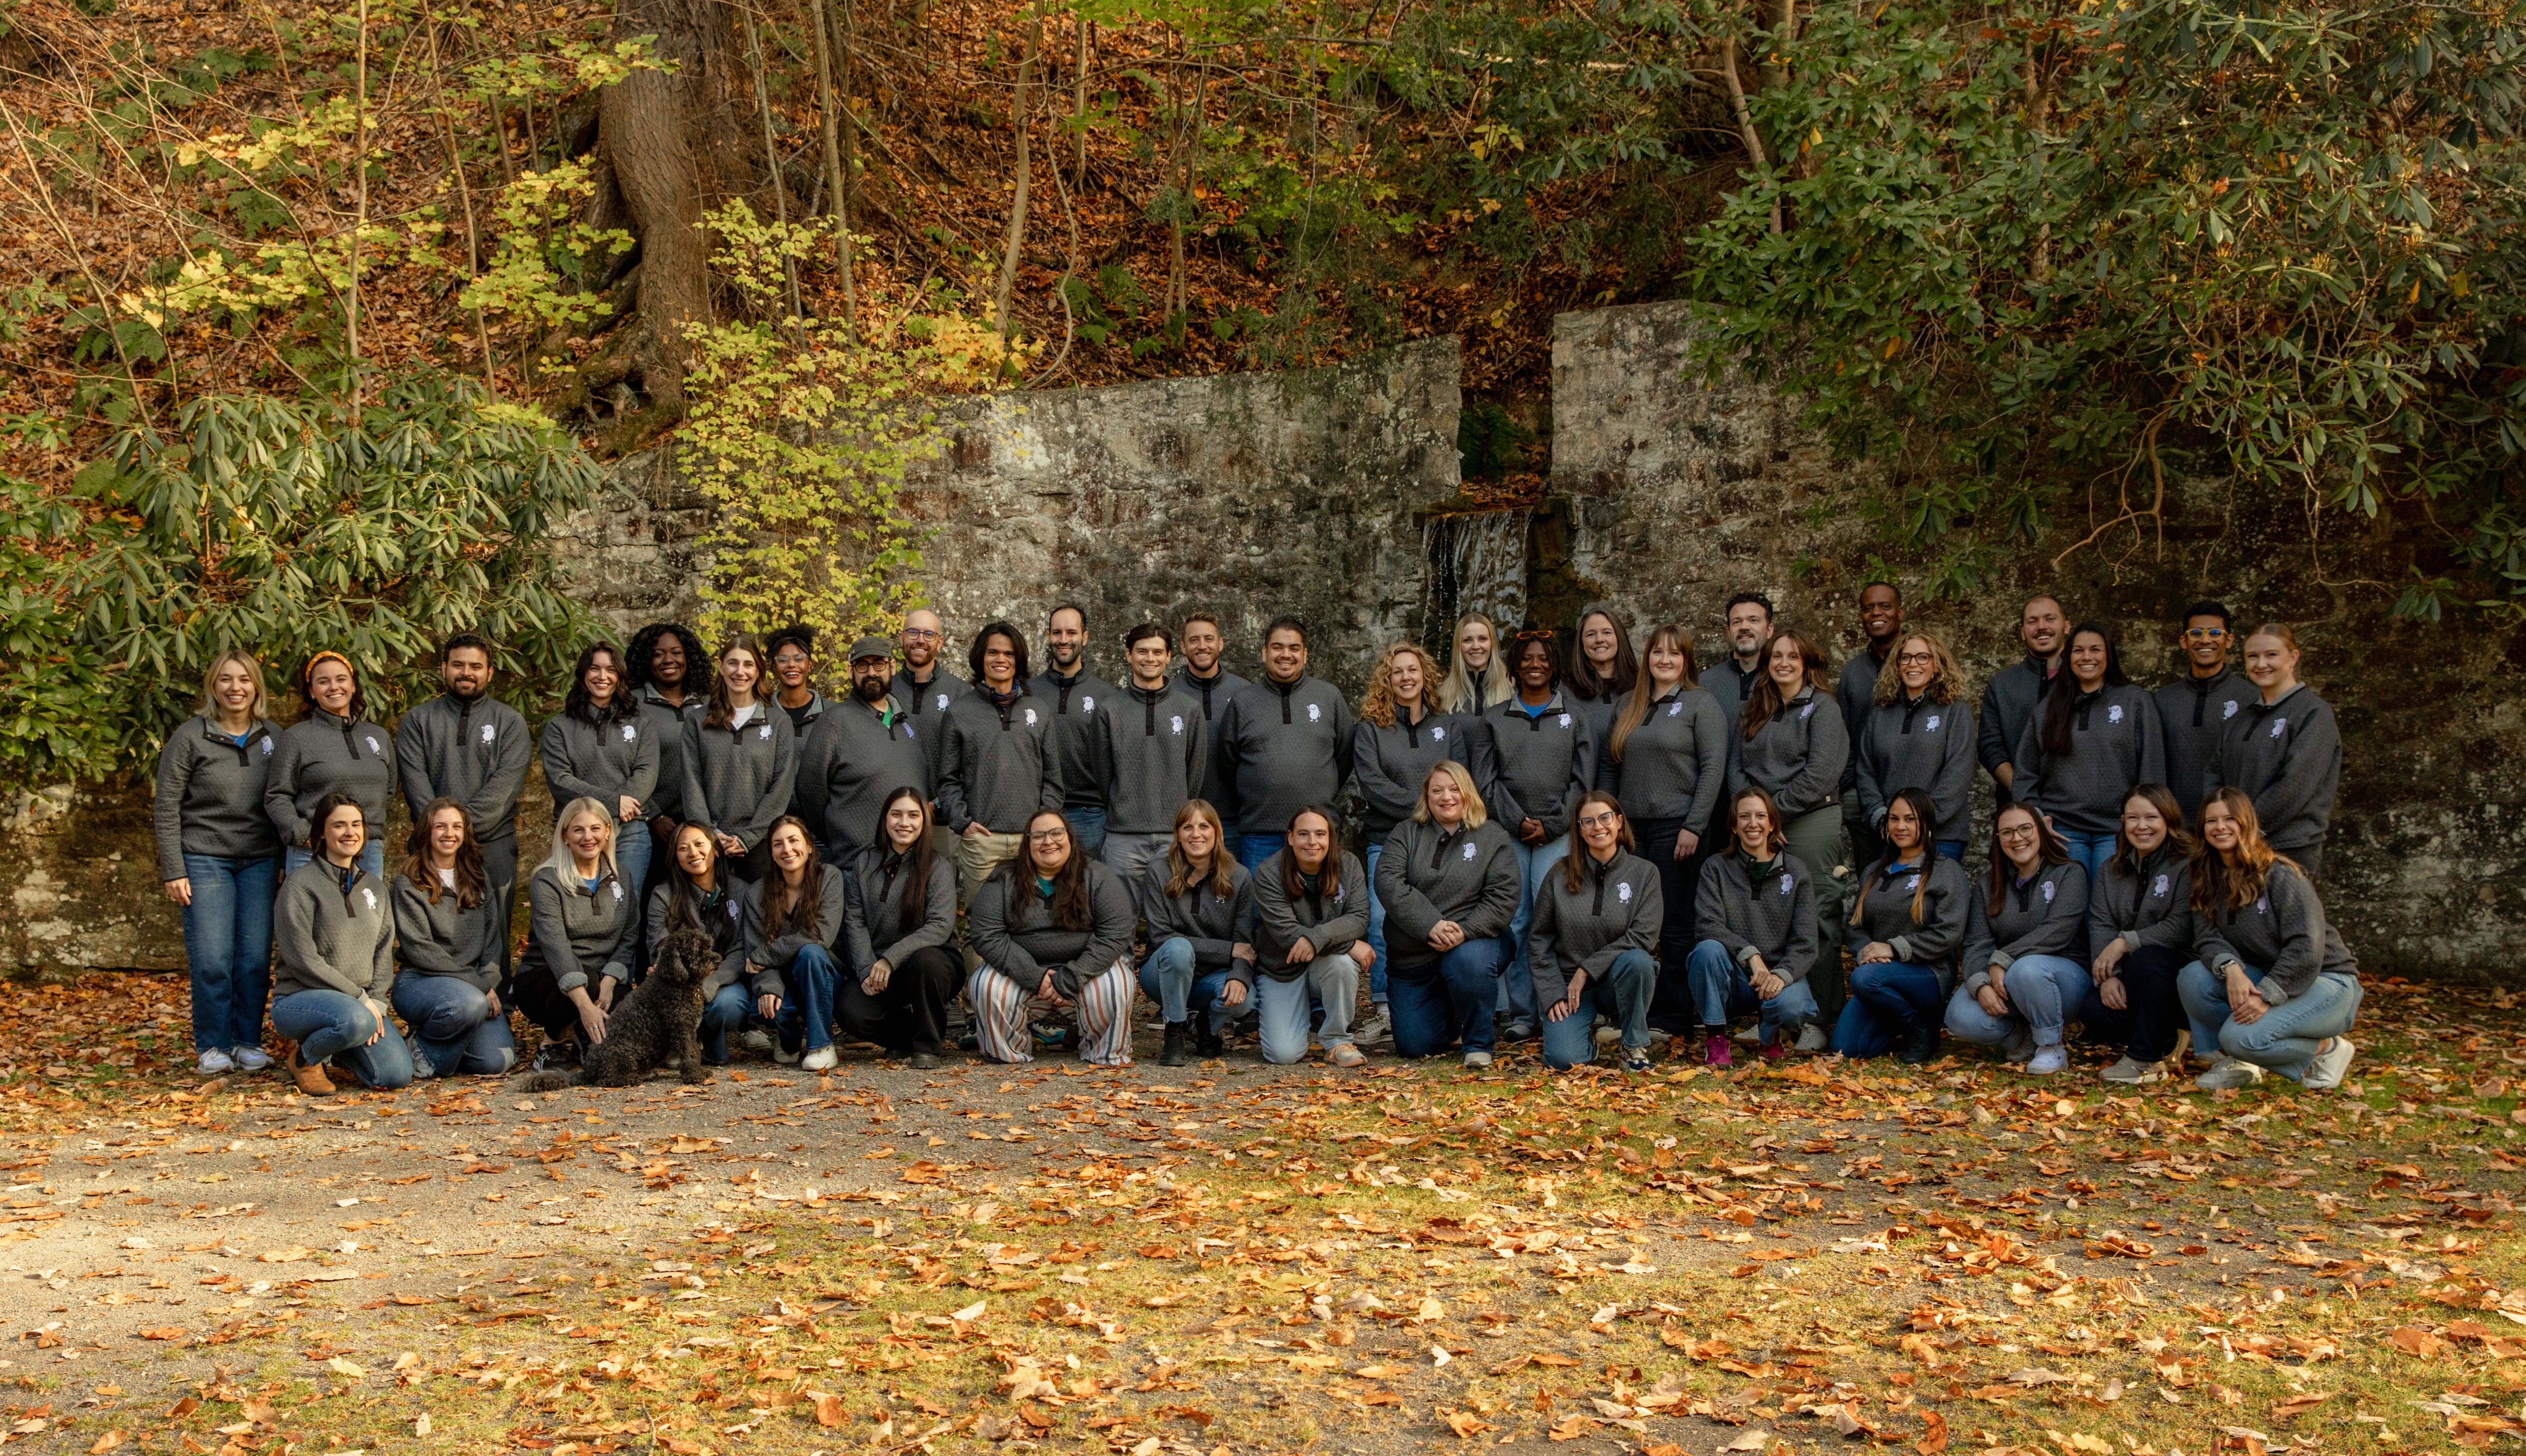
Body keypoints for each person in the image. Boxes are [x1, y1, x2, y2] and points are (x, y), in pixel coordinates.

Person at [2178, 789, 2360, 1090]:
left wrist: (2266, 995)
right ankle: (2236, 1062)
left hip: (2327, 981)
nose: (2220, 827)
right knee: (2194, 977)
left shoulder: (2280, 874)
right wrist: (2232, 968)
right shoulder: (2206, 878)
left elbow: (2307, 946)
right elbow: (2207, 938)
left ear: (2246, 823)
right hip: (2269, 976)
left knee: (2242, 1038)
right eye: (2212, 821)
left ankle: (2327, 1049)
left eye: (2230, 819)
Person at [154, 648, 282, 1077]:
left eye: (244, 680)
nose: (235, 688)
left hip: (261, 860)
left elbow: (284, 800)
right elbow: (167, 805)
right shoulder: (190, 737)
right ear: (213, 686)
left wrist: (284, 859)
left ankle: (247, 1042)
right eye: (226, 679)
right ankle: (213, 1045)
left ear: (256, 687)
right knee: (212, 957)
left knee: (253, 958)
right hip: (205, 857)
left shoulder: (274, 738)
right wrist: (174, 867)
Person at [1599, 622, 1728, 1039]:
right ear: (1647, 658)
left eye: (1675, 653)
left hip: (1679, 828)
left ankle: (1673, 1017)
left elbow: (1713, 769)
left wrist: (1695, 825)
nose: (1665, 660)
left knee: (1673, 923)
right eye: (1658, 652)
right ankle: (1630, 1011)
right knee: (1628, 920)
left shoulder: (1700, 704)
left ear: (1687, 660)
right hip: (1630, 830)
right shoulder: (1628, 705)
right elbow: (1609, 766)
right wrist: (1607, 821)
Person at [1474, 631, 1597, 1042]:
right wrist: (1519, 820)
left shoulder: (1575, 717)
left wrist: (1554, 824)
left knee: (1556, 919)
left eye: (1543, 658)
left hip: (1558, 835)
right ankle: (1521, 1011)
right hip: (1510, 834)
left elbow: (1583, 780)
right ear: (1514, 665)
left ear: (1555, 664)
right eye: (1527, 658)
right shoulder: (1493, 718)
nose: (1535, 665)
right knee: (1517, 919)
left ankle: (1557, 1007)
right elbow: (1485, 781)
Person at [1727, 626, 1850, 1026]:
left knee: (1816, 919)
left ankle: (1821, 1018)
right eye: (1776, 656)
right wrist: (1753, 814)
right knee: (1764, 918)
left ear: (1807, 664)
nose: (1783, 663)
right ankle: (1773, 1019)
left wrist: (1771, 815)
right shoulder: (1753, 708)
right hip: (1761, 824)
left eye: (1793, 657)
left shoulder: (1823, 708)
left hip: (1810, 819)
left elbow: (1821, 773)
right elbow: (1736, 767)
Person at [395, 632, 531, 981]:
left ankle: (495, 1007)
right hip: (430, 843)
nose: (466, 672)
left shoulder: (510, 723)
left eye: (475, 666)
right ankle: (432, 1006)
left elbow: (504, 788)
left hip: (493, 842)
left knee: (495, 927)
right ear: (444, 668)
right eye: (458, 665)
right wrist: (443, 834)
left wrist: (458, 832)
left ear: (489, 672)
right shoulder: (417, 721)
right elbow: (416, 785)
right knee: (429, 926)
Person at [1348, 640, 1461, 1043]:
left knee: (1440, 913)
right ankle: (1384, 1007)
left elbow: (1460, 778)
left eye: (1413, 670)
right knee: (1382, 920)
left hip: (1443, 839)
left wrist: (1437, 812)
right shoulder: (1371, 728)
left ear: (1425, 675)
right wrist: (1425, 806)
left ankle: (1445, 1001)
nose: (1406, 677)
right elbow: (1372, 784)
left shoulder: (1446, 726)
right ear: (1387, 679)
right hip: (1389, 837)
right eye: (1398, 671)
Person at [967, 809, 1138, 1065]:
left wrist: (1069, 978)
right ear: (1027, 843)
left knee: (1116, 983)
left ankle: (1104, 1056)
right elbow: (986, 935)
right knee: (986, 985)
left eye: (1056, 833)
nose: (1049, 841)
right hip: (1023, 975)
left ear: (1069, 837)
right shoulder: (1003, 879)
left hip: (1084, 973)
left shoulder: (1098, 876)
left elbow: (1114, 935)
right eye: (1038, 836)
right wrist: (1035, 977)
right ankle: (1008, 1056)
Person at [1376, 762, 1519, 1067]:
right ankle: (1455, 1006)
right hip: (1414, 957)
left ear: (1468, 794)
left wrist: (1463, 932)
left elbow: (1504, 896)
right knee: (1416, 1046)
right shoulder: (1406, 832)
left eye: (1455, 789)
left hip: (1473, 943)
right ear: (1426, 797)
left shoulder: (1492, 836)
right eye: (1437, 790)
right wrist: (1431, 925)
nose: (1447, 797)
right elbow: (1388, 882)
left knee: (1468, 963)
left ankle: (1478, 1043)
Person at [271, 793, 412, 1094]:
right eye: (339, 825)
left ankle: (339, 1048)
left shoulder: (374, 886)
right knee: (356, 1019)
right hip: (302, 999)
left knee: (395, 1075)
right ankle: (305, 1059)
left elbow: (383, 950)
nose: (350, 833)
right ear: (322, 831)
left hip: (358, 1005)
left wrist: (376, 1000)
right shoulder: (300, 885)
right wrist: (359, 999)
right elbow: (302, 958)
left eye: (356, 824)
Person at [1942, 803, 2090, 1075]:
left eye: (2025, 829)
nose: (2017, 838)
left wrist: (2004, 959)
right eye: (2007, 833)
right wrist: (1979, 984)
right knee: (1959, 1017)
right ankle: (2024, 1039)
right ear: (1998, 840)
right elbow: (1977, 942)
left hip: (2064, 981)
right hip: (2008, 982)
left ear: (2041, 831)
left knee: (2028, 968)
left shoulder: (2069, 872)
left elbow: (2059, 929)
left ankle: (2051, 1047)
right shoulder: (1989, 884)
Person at [2013, 623, 2164, 882]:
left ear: (2109, 656)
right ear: (2068, 657)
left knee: (2107, 908)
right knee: (2071, 909)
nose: (2087, 657)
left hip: (2117, 829)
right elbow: (2026, 771)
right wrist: (2037, 819)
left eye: (2096, 650)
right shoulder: (2050, 707)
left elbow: (2152, 766)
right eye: (2078, 651)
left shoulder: (2135, 701)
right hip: (2063, 829)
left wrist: (2144, 822)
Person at [1833, 788, 1971, 1062]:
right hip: (1880, 975)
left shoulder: (1945, 871)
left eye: (1910, 819)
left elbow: (1949, 933)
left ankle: (1922, 1026)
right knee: (1848, 1049)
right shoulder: (1874, 872)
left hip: (1928, 974)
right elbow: (1856, 926)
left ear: (1927, 824)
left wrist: (1893, 949)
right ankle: (1905, 1019)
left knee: (1864, 979)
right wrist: (1868, 954)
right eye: (1894, 819)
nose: (1900, 826)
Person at [1689, 787, 1823, 1064]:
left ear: (1772, 823)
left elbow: (1806, 943)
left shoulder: (1796, 871)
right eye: (1745, 817)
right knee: (1706, 951)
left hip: (1778, 975)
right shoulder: (1716, 867)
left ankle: (1770, 1031)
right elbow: (1707, 925)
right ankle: (1716, 1038)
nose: (1753, 824)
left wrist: (1782, 974)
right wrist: (1750, 954)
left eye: (1761, 816)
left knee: (1794, 1007)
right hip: (1735, 976)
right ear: (1735, 826)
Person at [1531, 791, 1662, 1073]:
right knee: (1564, 1061)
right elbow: (1539, 938)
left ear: (1619, 822)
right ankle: (1588, 1040)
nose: (1597, 827)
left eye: (1604, 818)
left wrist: (1587, 969)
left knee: (1639, 960)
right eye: (1587, 822)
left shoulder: (1645, 873)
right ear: (1579, 830)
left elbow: (1643, 937)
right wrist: (1552, 993)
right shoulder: (1559, 874)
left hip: (1616, 979)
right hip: (1569, 986)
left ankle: (1633, 1045)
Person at [1233, 806, 1374, 1067]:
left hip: (1326, 964)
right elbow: (1286, 933)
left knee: (1342, 964)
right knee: (1284, 1055)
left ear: (1330, 838)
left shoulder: (1349, 864)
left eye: (1320, 834)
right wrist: (1350, 943)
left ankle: (1337, 1042)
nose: (1312, 842)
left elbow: (1359, 917)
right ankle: (1298, 1013)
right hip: (1281, 968)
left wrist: (1318, 938)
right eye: (1304, 834)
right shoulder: (1269, 872)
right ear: (1290, 837)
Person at [938, 622, 1063, 909]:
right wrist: (963, 823)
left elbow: (1053, 778)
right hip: (982, 842)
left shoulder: (1039, 711)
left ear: (1018, 660)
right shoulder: (959, 713)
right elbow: (947, 778)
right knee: (977, 924)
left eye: (1009, 654)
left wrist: (1043, 827)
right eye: (993, 652)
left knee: (1029, 920)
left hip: (1031, 841)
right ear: (980, 658)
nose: (1001, 660)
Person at [1213, 617, 1355, 870]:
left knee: (1320, 908)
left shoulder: (1329, 696)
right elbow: (1228, 762)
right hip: (1261, 834)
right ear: (1265, 652)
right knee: (1262, 909)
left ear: (1305, 654)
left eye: (1294, 648)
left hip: (1317, 834)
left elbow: (1344, 757)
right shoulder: (1243, 702)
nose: (1286, 655)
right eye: (1278, 647)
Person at [389, 798, 516, 1079]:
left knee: (497, 1061)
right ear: (427, 832)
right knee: (469, 1004)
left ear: (465, 833)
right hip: (421, 981)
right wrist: (480, 987)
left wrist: (487, 981)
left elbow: (493, 943)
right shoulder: (409, 883)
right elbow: (421, 950)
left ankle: (436, 1043)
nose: (450, 834)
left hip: (473, 987)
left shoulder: (478, 878)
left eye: (457, 827)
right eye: (441, 827)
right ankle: (423, 1048)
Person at [512, 797, 640, 1072]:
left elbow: (629, 935)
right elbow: (556, 947)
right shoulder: (547, 880)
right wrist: (586, 1005)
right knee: (587, 980)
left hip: (601, 978)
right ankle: (550, 1043)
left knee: (624, 1004)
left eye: (595, 828)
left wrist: (611, 981)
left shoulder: (623, 876)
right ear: (566, 836)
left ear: (608, 831)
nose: (588, 837)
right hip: (545, 980)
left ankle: (583, 1037)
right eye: (578, 830)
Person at [2080, 784, 2196, 1084]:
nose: (2141, 826)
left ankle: (2145, 1060)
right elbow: (2102, 922)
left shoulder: (2188, 862)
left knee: (2147, 960)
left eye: (2151, 818)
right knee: (2096, 1010)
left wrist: (2124, 943)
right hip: (2134, 971)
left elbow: (2182, 924)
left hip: (2179, 970)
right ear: (2123, 822)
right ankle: (2169, 1038)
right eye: (2133, 818)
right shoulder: (2112, 868)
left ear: (2168, 820)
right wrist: (2110, 976)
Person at [839, 789, 963, 1067]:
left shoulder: (937, 865)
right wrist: (865, 968)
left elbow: (940, 926)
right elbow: (855, 920)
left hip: (932, 966)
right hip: (879, 967)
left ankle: (927, 1047)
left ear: (924, 822)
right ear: (885, 820)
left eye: (913, 815)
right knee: (850, 1012)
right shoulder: (865, 863)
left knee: (926, 961)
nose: (904, 823)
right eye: (896, 814)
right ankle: (905, 1038)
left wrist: (890, 958)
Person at [2210, 625, 2342, 881]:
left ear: (2293, 658)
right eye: (2252, 656)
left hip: (2289, 847)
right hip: (2236, 846)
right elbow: (2215, 776)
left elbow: (2295, 784)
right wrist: (2222, 824)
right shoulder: (2239, 719)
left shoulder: (2313, 714)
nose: (2261, 664)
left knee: (2290, 921)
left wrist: (2244, 829)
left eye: (2271, 655)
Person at [540, 640, 661, 901]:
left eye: (611, 670)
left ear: (620, 676)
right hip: (577, 832)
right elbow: (560, 781)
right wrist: (613, 804)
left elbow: (646, 773)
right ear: (584, 674)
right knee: (578, 904)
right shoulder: (559, 726)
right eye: (595, 669)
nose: (603, 677)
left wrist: (617, 812)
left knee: (625, 905)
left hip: (629, 832)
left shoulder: (642, 724)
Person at [1137, 799, 1255, 1065]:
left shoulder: (1240, 877)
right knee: (1179, 948)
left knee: (1245, 1001)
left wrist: (1238, 976)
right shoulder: (1158, 871)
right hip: (1162, 973)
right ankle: (1174, 1030)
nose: (1196, 834)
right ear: (1178, 834)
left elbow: (1244, 943)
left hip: (1209, 978)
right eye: (1188, 827)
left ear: (1217, 833)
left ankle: (1205, 1026)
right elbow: (1161, 937)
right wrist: (1227, 950)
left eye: (1204, 826)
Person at [681, 634, 799, 883]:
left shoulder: (778, 722)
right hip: (710, 843)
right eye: (733, 663)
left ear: (758, 672)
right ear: (721, 667)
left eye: (748, 665)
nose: (740, 671)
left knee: (761, 916)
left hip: (762, 842)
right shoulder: (697, 721)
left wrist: (749, 836)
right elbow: (691, 781)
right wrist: (710, 833)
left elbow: (782, 784)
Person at [1099, 622, 1206, 894]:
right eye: (1142, 651)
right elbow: (1103, 773)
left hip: (1175, 835)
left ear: (1169, 656)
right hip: (1123, 837)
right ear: (1128, 655)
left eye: (1158, 652)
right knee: (1120, 917)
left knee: (1173, 915)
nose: (1150, 659)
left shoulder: (1189, 709)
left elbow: (1194, 774)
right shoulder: (1108, 710)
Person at [267, 652, 394, 877]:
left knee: (366, 912)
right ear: (312, 692)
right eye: (323, 681)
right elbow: (277, 795)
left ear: (353, 685)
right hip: (314, 849)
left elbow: (389, 789)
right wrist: (301, 831)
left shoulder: (378, 736)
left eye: (341, 679)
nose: (334, 687)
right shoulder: (297, 737)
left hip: (368, 850)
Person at [1854, 630, 1976, 861]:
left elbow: (1957, 774)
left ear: (1937, 665)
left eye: (1923, 657)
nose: (1913, 664)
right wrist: (1883, 818)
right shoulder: (1881, 713)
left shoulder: (1955, 711)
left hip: (1942, 836)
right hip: (1891, 835)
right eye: (1906, 657)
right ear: (1897, 664)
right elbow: (1866, 770)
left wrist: (1920, 823)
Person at [648, 822, 757, 1065]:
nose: (693, 853)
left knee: (728, 1005)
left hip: (726, 982)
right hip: (680, 984)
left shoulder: (741, 891)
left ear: (716, 850)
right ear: (675, 857)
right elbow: (660, 944)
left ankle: (706, 1040)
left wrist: (710, 984)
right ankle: (681, 1042)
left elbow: (743, 949)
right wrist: (687, 984)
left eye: (700, 845)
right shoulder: (663, 895)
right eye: (683, 848)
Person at [745, 816, 848, 1071]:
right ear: (771, 852)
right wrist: (769, 986)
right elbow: (754, 956)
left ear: (810, 846)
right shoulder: (757, 893)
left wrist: (767, 953)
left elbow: (821, 935)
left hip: (822, 977)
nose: (787, 850)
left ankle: (821, 1045)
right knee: (772, 1006)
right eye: (778, 844)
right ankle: (788, 1038)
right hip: (782, 981)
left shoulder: (830, 878)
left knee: (811, 952)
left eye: (794, 841)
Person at [821, 636, 932, 863]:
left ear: (892, 667)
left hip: (911, 864)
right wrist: (842, 835)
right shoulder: (834, 722)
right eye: (863, 665)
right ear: (851, 671)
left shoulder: (908, 722)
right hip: (856, 864)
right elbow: (811, 794)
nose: (871, 672)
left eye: (879, 664)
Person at [627, 621, 709, 919]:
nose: (668, 660)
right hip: (653, 824)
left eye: (676, 652)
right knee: (652, 905)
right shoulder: (631, 705)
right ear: (646, 659)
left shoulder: (711, 703)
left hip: (703, 822)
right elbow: (623, 767)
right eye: (658, 654)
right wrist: (655, 815)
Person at [1033, 603, 1120, 858]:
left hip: (1090, 813)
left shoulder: (1106, 697)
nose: (1063, 640)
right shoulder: (1028, 692)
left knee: (1086, 889)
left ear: (1085, 637)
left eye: (1071, 633)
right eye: (1057, 633)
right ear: (1048, 636)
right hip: (1038, 810)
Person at [2154, 602, 2253, 826]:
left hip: (2229, 826)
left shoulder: (2251, 698)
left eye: (2215, 633)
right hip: (2175, 827)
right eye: (2196, 633)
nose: (2205, 640)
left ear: (2229, 641)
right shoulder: (2163, 699)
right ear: (2184, 641)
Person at [1838, 582, 1904, 870]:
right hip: (1863, 797)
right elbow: (1845, 734)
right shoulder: (1853, 672)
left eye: (1885, 606)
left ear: (1900, 613)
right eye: (1868, 608)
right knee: (1871, 881)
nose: (1876, 613)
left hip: (1910, 793)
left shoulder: (1919, 664)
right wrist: (1849, 788)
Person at [1174, 612, 1249, 859]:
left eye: (1209, 639)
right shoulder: (1169, 693)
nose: (1202, 646)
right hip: (1186, 821)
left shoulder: (1245, 693)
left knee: (1234, 890)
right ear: (1183, 647)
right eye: (1194, 640)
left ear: (1221, 643)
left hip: (1236, 820)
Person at [1980, 595, 2068, 803]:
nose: (2041, 627)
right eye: (2032, 621)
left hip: (2074, 811)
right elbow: (1990, 748)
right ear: (2022, 633)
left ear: (2067, 626)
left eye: (2050, 619)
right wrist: (2024, 794)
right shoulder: (2002, 685)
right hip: (2016, 808)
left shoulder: (2084, 682)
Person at [766, 626, 837, 853]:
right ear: (773, 667)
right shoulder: (762, 714)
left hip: (823, 829)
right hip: (774, 829)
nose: (792, 666)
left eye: (799, 659)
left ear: (810, 665)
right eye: (783, 660)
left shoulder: (833, 714)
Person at [891, 608, 970, 808]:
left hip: (946, 817)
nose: (920, 640)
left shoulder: (961, 693)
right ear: (901, 638)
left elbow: (970, 759)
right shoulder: (885, 692)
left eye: (929, 634)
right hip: (893, 817)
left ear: (940, 642)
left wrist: (938, 803)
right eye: (913, 633)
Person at [1565, 603, 1639, 748]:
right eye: (1591, 634)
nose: (1600, 640)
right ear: (1581, 643)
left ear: (1619, 638)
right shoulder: (1565, 690)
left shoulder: (1642, 685)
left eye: (1607, 633)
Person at [1710, 593, 1776, 744]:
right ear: (1729, 632)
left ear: (1769, 630)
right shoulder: (1705, 684)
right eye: (1737, 622)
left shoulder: (1783, 682)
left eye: (1753, 620)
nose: (1744, 627)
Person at [1437, 611, 1513, 716]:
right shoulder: (1442, 694)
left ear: (1492, 643)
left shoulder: (1513, 689)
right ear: (1459, 646)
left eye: (1483, 639)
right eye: (1468, 640)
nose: (1476, 646)